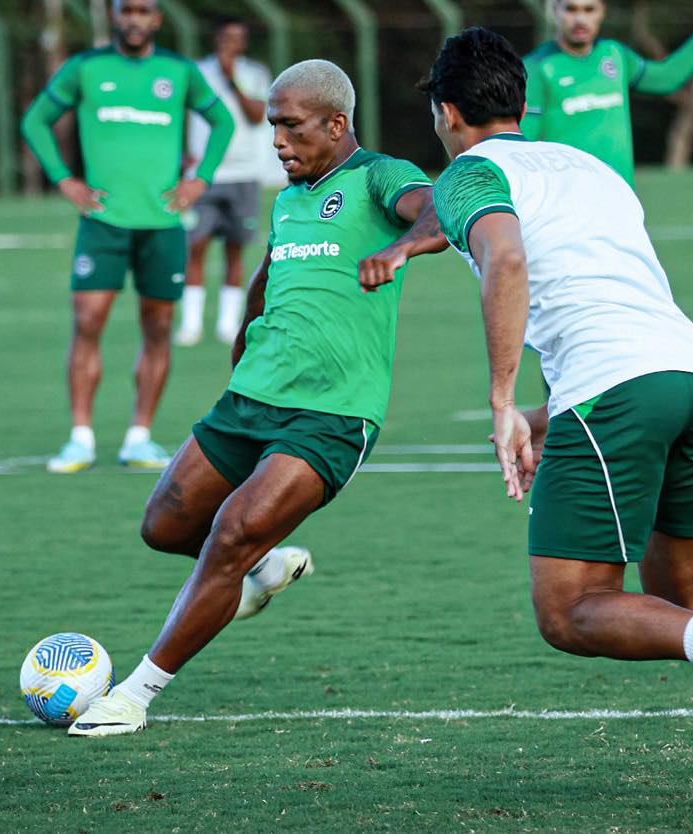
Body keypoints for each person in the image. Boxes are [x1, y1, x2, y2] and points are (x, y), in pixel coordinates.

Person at [416, 27, 693, 809]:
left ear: (446, 111)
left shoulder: (466, 174)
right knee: (681, 588)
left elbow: (509, 260)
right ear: (525, 103)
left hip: (616, 387)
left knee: (569, 609)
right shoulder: (589, 167)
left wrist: (499, 402)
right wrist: (540, 414)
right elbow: (616, 314)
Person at [67, 59, 445, 737]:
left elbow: (439, 208)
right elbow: (272, 270)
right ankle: (263, 568)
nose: (277, 141)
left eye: (290, 127)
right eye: (273, 125)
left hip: (333, 413)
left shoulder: (380, 177)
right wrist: (245, 337)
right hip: (251, 397)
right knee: (164, 525)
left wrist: (404, 250)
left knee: (231, 532)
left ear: (336, 124)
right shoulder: (289, 197)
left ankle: (134, 695)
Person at [21, 0, 235, 473]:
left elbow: (224, 121)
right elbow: (34, 120)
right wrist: (64, 177)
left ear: (157, 19)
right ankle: (80, 437)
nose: (135, 19)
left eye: (144, 11)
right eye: (127, 10)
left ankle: (139, 437)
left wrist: (200, 179)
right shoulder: (86, 68)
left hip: (162, 224)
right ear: (115, 16)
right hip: (103, 222)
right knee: (88, 321)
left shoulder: (177, 72)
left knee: (158, 328)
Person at [523, 0, 693, 185]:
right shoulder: (536, 67)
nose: (580, 19)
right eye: (571, 9)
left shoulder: (614, 54)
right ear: (555, 11)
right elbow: (524, 141)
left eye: (589, 9)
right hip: (568, 201)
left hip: (621, 197)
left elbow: (667, 78)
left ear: (602, 11)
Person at [178, 16, 273, 347]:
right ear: (216, 38)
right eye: (225, 37)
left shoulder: (254, 73)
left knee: (235, 251)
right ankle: (191, 323)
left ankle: (227, 322)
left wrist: (232, 80)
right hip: (204, 174)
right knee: (195, 247)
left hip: (243, 173)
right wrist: (181, 156)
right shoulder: (197, 72)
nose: (229, 43)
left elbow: (257, 115)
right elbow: (178, 115)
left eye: (237, 37)